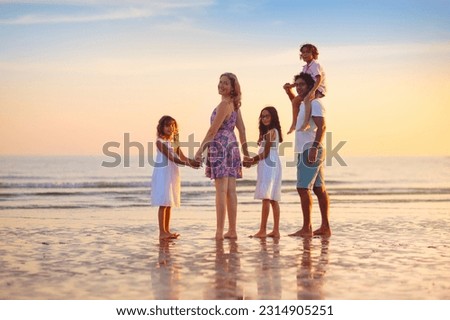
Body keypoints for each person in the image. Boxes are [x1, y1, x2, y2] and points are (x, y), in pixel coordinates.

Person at [195, 73, 249, 240]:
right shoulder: (235, 105)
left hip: (220, 146)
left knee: (221, 191)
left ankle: (219, 232)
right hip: (232, 146)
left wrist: (199, 152)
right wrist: (245, 154)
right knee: (231, 191)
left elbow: (213, 130)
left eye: (226, 83)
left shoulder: (225, 104)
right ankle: (232, 230)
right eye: (220, 82)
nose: (221, 85)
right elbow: (242, 130)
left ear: (233, 87)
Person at [284, 72, 331, 237]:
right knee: (318, 188)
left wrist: (314, 148)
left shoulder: (315, 103)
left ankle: (307, 228)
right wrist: (288, 91)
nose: (298, 87)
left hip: (310, 149)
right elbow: (294, 103)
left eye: (302, 84)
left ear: (311, 86)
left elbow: (322, 127)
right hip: (305, 149)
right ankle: (325, 227)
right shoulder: (304, 104)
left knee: (302, 188)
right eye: (296, 85)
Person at [151, 115, 200, 240]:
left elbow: (182, 157)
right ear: (161, 127)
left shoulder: (174, 141)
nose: (170, 128)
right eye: (167, 125)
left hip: (172, 173)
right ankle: (162, 232)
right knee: (163, 202)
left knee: (169, 202)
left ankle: (167, 230)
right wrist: (187, 164)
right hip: (163, 174)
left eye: (172, 125)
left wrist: (192, 163)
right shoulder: (159, 142)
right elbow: (172, 158)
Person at [244, 106, 283, 238]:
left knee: (267, 197)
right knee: (272, 198)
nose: (264, 118)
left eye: (267, 116)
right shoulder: (272, 132)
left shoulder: (271, 132)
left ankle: (262, 230)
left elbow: (265, 154)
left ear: (273, 117)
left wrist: (251, 159)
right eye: (262, 116)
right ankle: (275, 230)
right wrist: (253, 162)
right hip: (271, 164)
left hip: (269, 165)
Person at [286, 43, 327, 134]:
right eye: (303, 52)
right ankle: (294, 123)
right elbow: (301, 80)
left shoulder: (315, 65)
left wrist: (312, 91)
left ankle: (306, 123)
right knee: (295, 101)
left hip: (318, 88)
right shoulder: (305, 68)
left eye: (307, 52)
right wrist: (291, 86)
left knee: (307, 99)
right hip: (309, 88)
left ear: (313, 54)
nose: (305, 54)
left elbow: (318, 79)